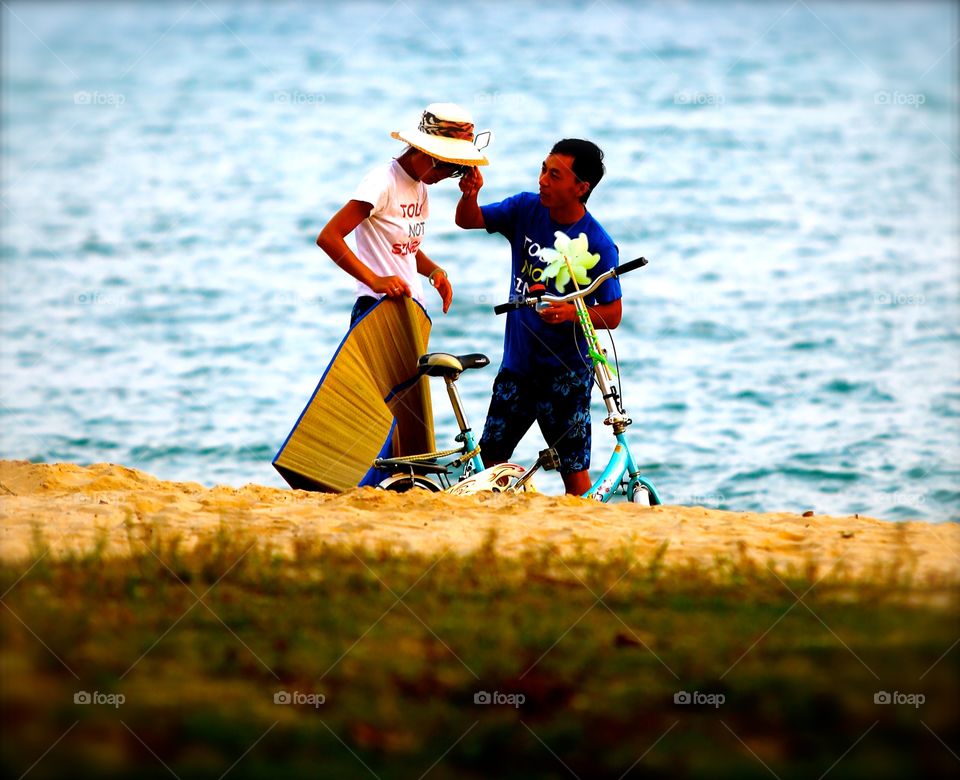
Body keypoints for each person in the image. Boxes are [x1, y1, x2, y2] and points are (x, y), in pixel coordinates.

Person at [455, 139, 622, 495]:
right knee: (487, 466)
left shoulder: (599, 243)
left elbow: (613, 313)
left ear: (581, 188)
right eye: (543, 169)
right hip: (518, 367)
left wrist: (573, 312)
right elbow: (467, 219)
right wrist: (469, 194)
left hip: (567, 376)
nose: (543, 180)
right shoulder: (524, 209)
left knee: (574, 474)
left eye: (555, 175)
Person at [317, 103, 489, 324]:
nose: (445, 175)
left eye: (456, 168)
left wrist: (434, 271)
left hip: (410, 308)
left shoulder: (420, 187)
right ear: (421, 150)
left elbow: (404, 248)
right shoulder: (382, 182)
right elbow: (329, 237)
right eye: (444, 164)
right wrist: (374, 280)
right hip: (376, 306)